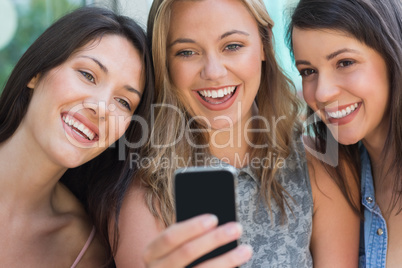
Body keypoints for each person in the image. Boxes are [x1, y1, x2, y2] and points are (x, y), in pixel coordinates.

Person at [101, 0, 361, 267]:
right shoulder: (141, 191)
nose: (213, 72)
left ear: (264, 44)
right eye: (187, 52)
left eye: (233, 46)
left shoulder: (322, 166)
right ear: (165, 63)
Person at [0, 6, 153, 267]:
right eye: (87, 75)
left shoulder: (85, 251)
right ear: (36, 73)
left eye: (123, 102)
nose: (102, 107)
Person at [287, 0, 402, 267]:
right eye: (309, 72)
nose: (322, 93)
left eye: (345, 62)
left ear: (392, 55)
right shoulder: (336, 181)